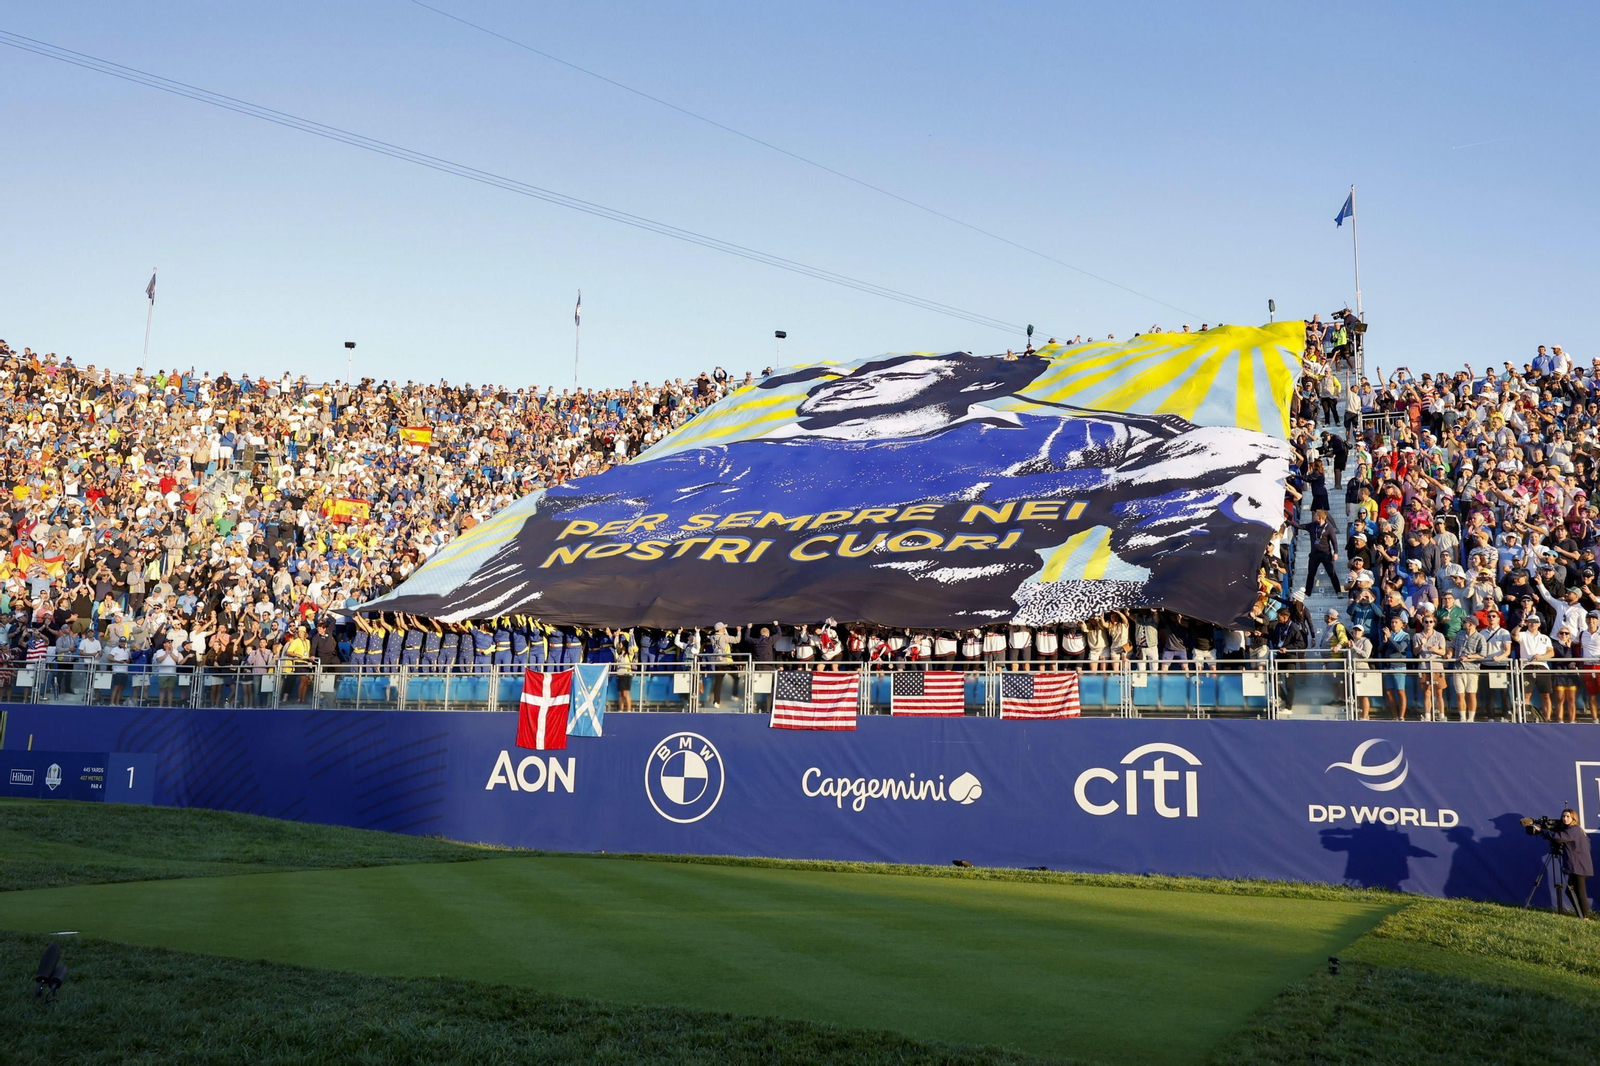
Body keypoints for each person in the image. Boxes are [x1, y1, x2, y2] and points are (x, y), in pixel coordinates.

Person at [1526, 810, 1594, 919]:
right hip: (1580, 865)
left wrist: (1542, 830)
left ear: (1573, 818)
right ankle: (1581, 915)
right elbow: (1587, 845)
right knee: (1570, 891)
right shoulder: (1578, 830)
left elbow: (1559, 837)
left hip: (1578, 866)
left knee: (1580, 893)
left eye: (1568, 816)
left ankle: (1585, 918)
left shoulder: (1573, 830)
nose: (1565, 818)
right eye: (1563, 816)